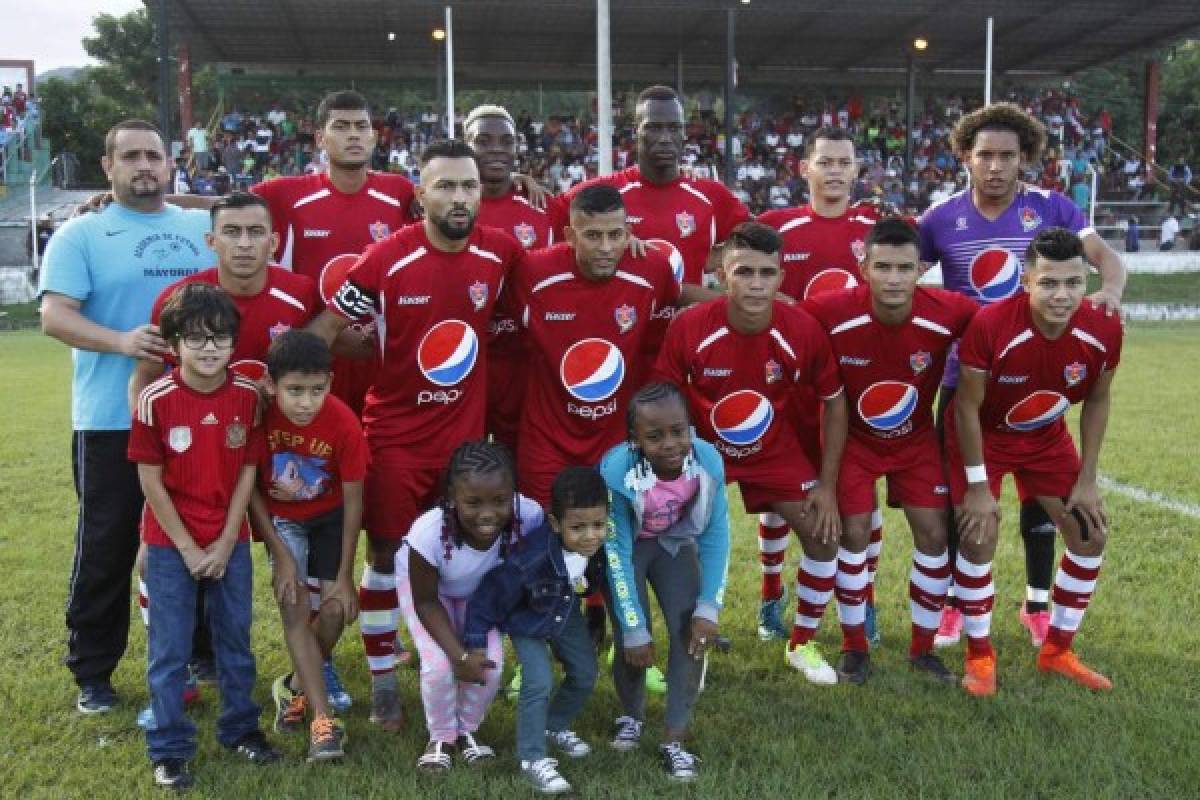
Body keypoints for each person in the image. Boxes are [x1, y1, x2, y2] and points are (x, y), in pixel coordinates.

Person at [308, 139, 526, 730]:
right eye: (446, 186)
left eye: (468, 186)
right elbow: (324, 328)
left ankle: (457, 662)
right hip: (396, 441)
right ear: (421, 194)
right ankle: (383, 680)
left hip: (464, 447)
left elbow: (558, 280)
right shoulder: (386, 258)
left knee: (458, 558)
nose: (458, 197)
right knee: (386, 557)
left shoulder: (502, 253)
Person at [918, 102, 1125, 650]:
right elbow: (898, 275)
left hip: (1039, 377)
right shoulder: (940, 218)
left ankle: (1037, 605)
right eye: (984, 154)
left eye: (1007, 155)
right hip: (967, 379)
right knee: (962, 505)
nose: (995, 165)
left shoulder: (1052, 208)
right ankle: (956, 605)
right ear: (965, 156)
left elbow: (1106, 259)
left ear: (1024, 159)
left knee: (1041, 501)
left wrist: (1111, 291)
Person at [39, 119, 213, 714]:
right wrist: (120, 341)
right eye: (131, 157)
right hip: (111, 418)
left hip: (197, 415)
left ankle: (202, 653)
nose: (144, 166)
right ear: (106, 166)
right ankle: (93, 670)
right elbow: (55, 316)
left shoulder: (199, 227)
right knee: (108, 544)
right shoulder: (82, 233)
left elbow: (247, 208)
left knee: (199, 535)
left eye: (155, 156)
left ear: (170, 165)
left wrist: (188, 197)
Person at [654, 222, 848, 685]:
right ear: (722, 274)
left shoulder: (802, 330)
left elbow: (834, 401)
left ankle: (801, 642)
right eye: (744, 272)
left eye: (767, 273)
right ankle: (692, 644)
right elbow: (662, 397)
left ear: (782, 277)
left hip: (773, 452)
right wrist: (669, 467)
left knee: (823, 535)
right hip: (702, 451)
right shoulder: (689, 327)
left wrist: (826, 484)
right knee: (679, 543)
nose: (756, 284)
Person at [946, 227, 1121, 696]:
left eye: (1072, 283)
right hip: (986, 436)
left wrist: (1087, 479)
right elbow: (965, 407)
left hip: (1044, 438)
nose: (1061, 295)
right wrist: (979, 487)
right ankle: (979, 656)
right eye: (1049, 283)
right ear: (1026, 281)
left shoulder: (1104, 326)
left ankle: (1057, 650)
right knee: (979, 536)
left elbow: (1099, 400)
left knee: (1089, 533)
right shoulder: (992, 324)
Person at [804, 218, 978, 685]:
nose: (894, 278)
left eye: (905, 268)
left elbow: (1001, 321)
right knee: (853, 535)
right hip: (854, 443)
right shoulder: (830, 311)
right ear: (863, 267)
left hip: (916, 441)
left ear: (922, 269)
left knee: (934, 536)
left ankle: (923, 650)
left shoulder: (950, 310)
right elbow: (785, 320)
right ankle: (854, 646)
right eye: (883, 267)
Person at [128, 284, 281, 789]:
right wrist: (191, 548)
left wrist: (224, 540)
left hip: (229, 542)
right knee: (170, 650)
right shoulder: (155, 400)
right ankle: (170, 749)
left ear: (234, 344)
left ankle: (241, 730)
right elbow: (150, 481)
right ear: (173, 346)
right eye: (195, 339)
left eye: (219, 338)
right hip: (174, 544)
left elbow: (247, 473)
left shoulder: (246, 398)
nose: (209, 348)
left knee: (235, 641)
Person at [756, 126, 890, 646]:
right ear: (804, 169)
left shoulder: (877, 226)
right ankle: (771, 594)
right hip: (790, 384)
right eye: (826, 161)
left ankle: (865, 600)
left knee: (862, 500)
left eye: (845, 162)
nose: (836, 171)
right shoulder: (775, 226)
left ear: (857, 171)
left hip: (858, 384)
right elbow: (732, 271)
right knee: (777, 496)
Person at [509, 183, 680, 507]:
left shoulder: (653, 270)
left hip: (615, 441)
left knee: (612, 544)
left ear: (628, 232)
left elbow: (656, 347)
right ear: (570, 236)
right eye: (592, 236)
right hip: (546, 441)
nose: (605, 247)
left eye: (615, 235)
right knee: (544, 542)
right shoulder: (533, 272)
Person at [599, 382, 731, 782]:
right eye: (654, 436)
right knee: (630, 636)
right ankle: (631, 714)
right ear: (634, 440)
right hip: (630, 549)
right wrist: (636, 627)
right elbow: (616, 553)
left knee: (692, 630)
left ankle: (676, 733)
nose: (670, 444)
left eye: (679, 431)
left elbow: (716, 536)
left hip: (674, 544)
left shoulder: (708, 463)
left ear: (691, 427)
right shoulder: (617, 472)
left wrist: (710, 606)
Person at [248, 330, 368, 762]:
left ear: (330, 385)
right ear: (270, 384)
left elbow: (354, 500)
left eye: (316, 390)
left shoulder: (343, 423)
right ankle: (321, 720)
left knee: (335, 612)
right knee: (295, 605)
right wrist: (279, 554)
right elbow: (252, 490)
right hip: (284, 524)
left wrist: (344, 577)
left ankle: (293, 687)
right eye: (294, 390)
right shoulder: (258, 419)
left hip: (331, 520)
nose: (305, 403)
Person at [396, 439, 543, 770]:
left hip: (483, 594)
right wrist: (458, 655)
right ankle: (440, 737)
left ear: (514, 495)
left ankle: (466, 731)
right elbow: (427, 602)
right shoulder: (428, 534)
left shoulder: (529, 515)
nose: (488, 513)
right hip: (431, 594)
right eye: (473, 503)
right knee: (439, 666)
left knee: (489, 666)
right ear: (451, 499)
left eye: (500, 501)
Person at [463, 466, 607, 795]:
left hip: (565, 609)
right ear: (555, 523)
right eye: (578, 527)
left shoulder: (599, 546)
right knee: (538, 681)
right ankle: (531, 758)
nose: (590, 536)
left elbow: (592, 578)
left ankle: (553, 727)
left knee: (586, 673)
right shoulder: (530, 558)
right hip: (528, 619)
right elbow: (488, 597)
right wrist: (475, 644)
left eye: (598, 524)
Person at [463, 104, 554, 456]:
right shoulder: (445, 207)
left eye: (506, 141)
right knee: (462, 464)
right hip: (465, 361)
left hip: (522, 361)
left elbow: (596, 221)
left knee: (518, 464)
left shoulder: (544, 207)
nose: (496, 149)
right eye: (483, 141)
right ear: (466, 145)